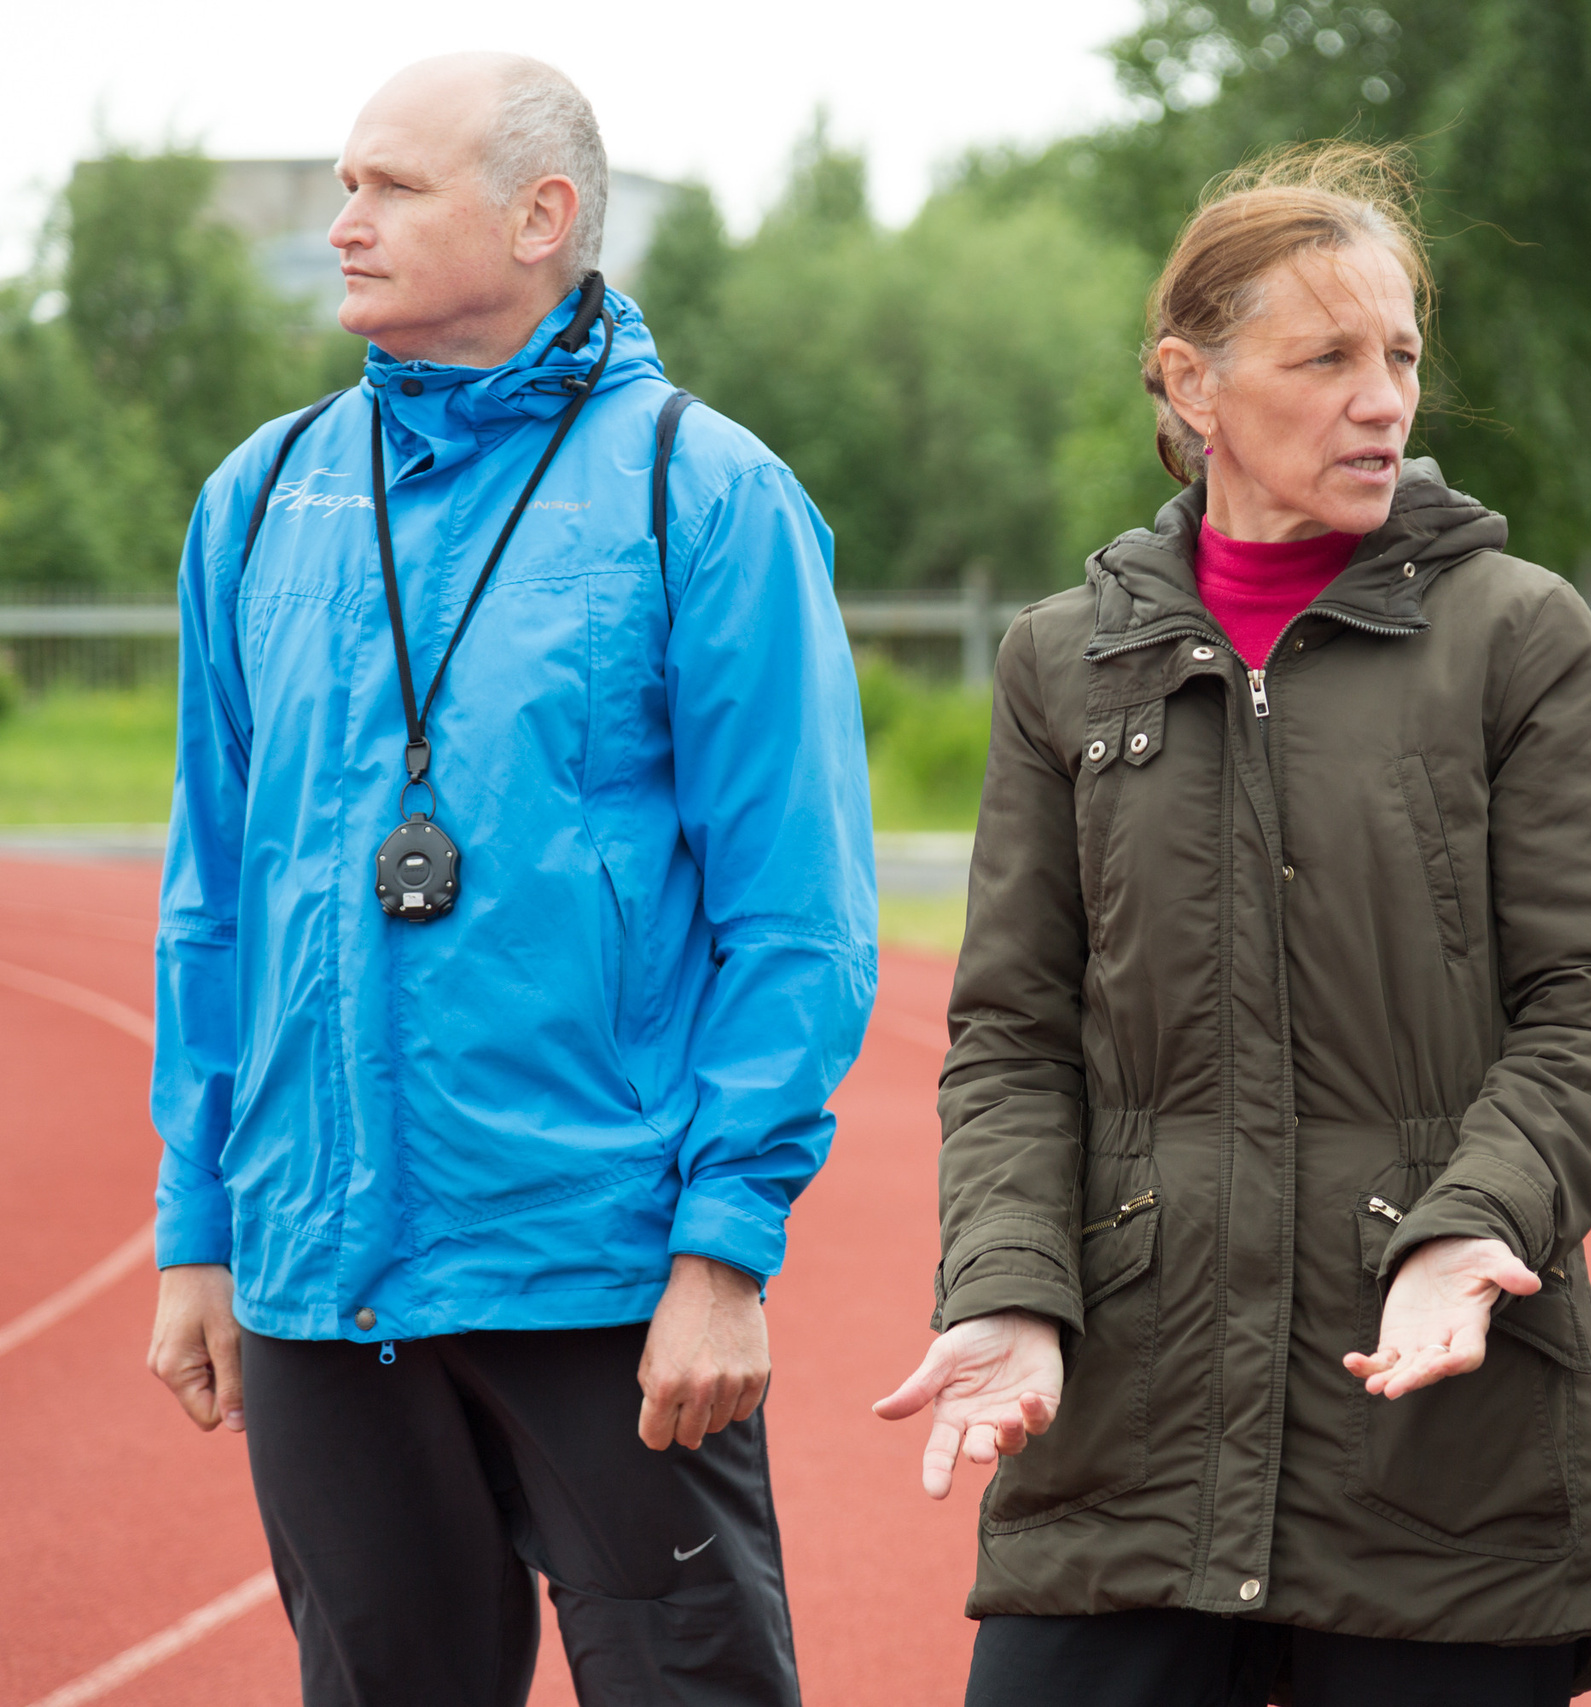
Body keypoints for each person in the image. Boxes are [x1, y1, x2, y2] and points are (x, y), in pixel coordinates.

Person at [870, 143, 1591, 1706]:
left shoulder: (1520, 636)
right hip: (1128, 1432)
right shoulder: (1060, 663)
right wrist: (1012, 1290)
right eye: (1329, 357)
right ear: (1195, 381)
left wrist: (1472, 1224)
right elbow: (1016, 1040)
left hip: (1435, 1433)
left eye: (1404, 357)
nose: (1384, 399)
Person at [143, 53, 873, 1705]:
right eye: (344, 184)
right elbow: (214, 908)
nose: (343, 224)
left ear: (544, 216)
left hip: (601, 1274)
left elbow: (798, 917)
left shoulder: (709, 492)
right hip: (323, 1276)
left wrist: (724, 1249)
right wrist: (201, 1227)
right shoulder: (257, 499)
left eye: (393, 188)